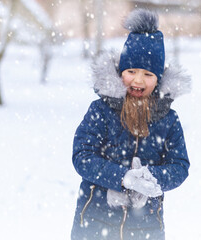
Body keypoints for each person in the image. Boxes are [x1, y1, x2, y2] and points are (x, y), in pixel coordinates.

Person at [70, 9, 191, 240]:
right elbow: (82, 156)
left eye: (147, 74)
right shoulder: (101, 111)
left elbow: (180, 165)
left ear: (158, 79)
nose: (137, 80)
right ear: (120, 72)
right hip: (95, 224)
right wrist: (122, 177)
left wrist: (151, 178)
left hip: (145, 228)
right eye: (131, 71)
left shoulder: (168, 119)